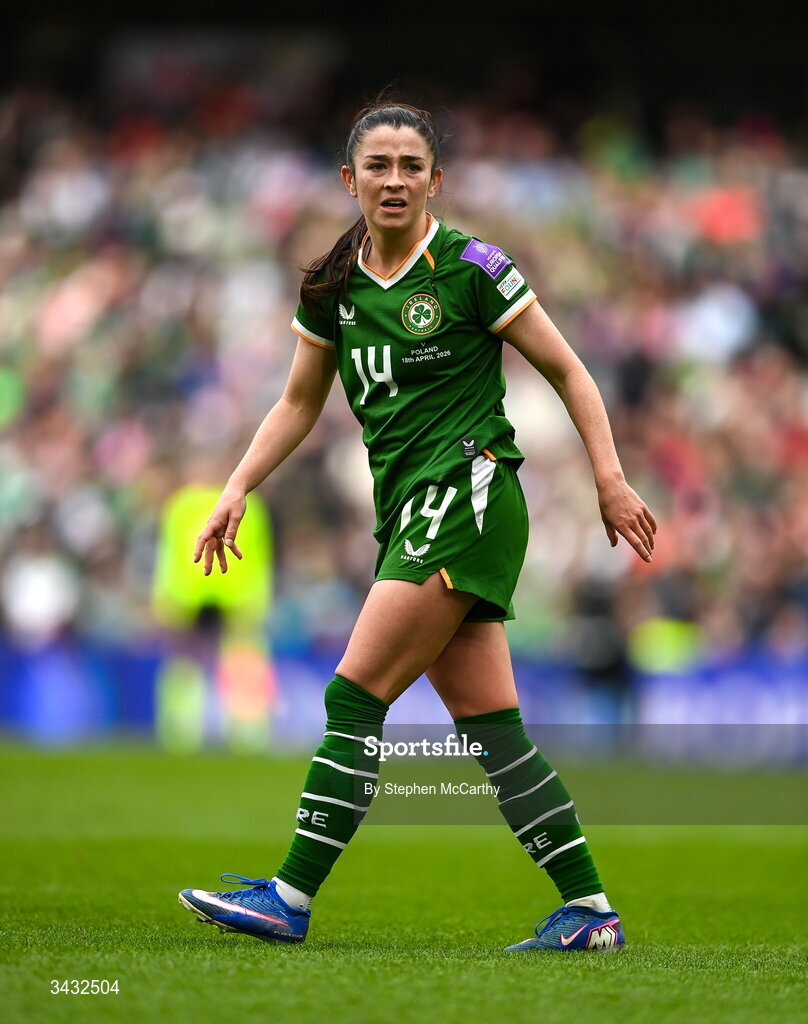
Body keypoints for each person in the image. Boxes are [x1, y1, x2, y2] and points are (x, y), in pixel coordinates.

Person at [178, 100, 656, 952]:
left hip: (468, 494)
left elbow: (570, 372)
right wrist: (237, 485)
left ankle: (289, 895)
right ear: (349, 180)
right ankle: (591, 912)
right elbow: (297, 403)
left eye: (410, 166)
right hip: (411, 511)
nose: (394, 180)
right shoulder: (333, 284)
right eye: (378, 165)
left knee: (353, 693)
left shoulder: (473, 267)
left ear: (435, 180)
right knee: (492, 729)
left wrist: (609, 480)